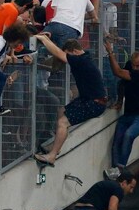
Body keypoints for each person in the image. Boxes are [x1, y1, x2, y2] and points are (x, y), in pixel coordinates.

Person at [33, 32, 107, 167]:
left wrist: (44, 39)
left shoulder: (81, 61)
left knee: (63, 122)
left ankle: (52, 156)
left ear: (75, 51)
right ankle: (55, 146)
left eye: (69, 55)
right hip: (87, 99)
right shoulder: (85, 58)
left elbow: (59, 54)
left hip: (94, 103)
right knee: (62, 111)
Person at [104, 38, 139, 174]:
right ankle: (115, 170)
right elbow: (121, 84)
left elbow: (117, 72)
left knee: (128, 135)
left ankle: (121, 168)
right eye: (133, 65)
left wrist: (110, 53)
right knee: (117, 141)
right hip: (128, 114)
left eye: (138, 65)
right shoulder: (129, 66)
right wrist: (119, 101)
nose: (135, 68)